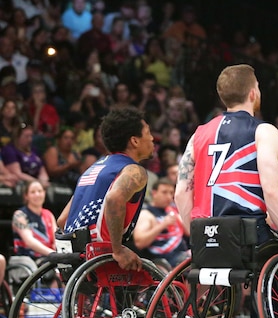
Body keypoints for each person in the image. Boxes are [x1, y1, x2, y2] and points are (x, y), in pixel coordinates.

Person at [175, 64, 278, 268]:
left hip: (204, 233)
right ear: (253, 93)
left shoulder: (198, 134)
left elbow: (180, 193)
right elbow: (272, 189)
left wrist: (197, 238)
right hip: (246, 233)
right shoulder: (263, 131)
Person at [55, 107, 156, 271]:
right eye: (148, 132)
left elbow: (62, 220)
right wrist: (117, 250)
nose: (152, 138)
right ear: (135, 141)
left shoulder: (94, 168)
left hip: (73, 255)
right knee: (153, 278)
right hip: (100, 254)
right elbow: (114, 199)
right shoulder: (133, 170)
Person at [132, 178, 189, 269]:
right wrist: (162, 225)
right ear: (154, 193)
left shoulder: (172, 211)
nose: (169, 196)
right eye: (164, 192)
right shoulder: (146, 214)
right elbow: (140, 243)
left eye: (171, 193)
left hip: (182, 255)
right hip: (162, 260)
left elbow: (190, 233)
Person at [10, 181, 58, 273]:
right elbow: (29, 242)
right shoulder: (20, 215)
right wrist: (53, 254)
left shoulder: (48, 214)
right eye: (33, 192)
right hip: (29, 259)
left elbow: (56, 238)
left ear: (44, 193)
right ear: (26, 196)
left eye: (40, 191)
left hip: (50, 257)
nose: (37, 194)